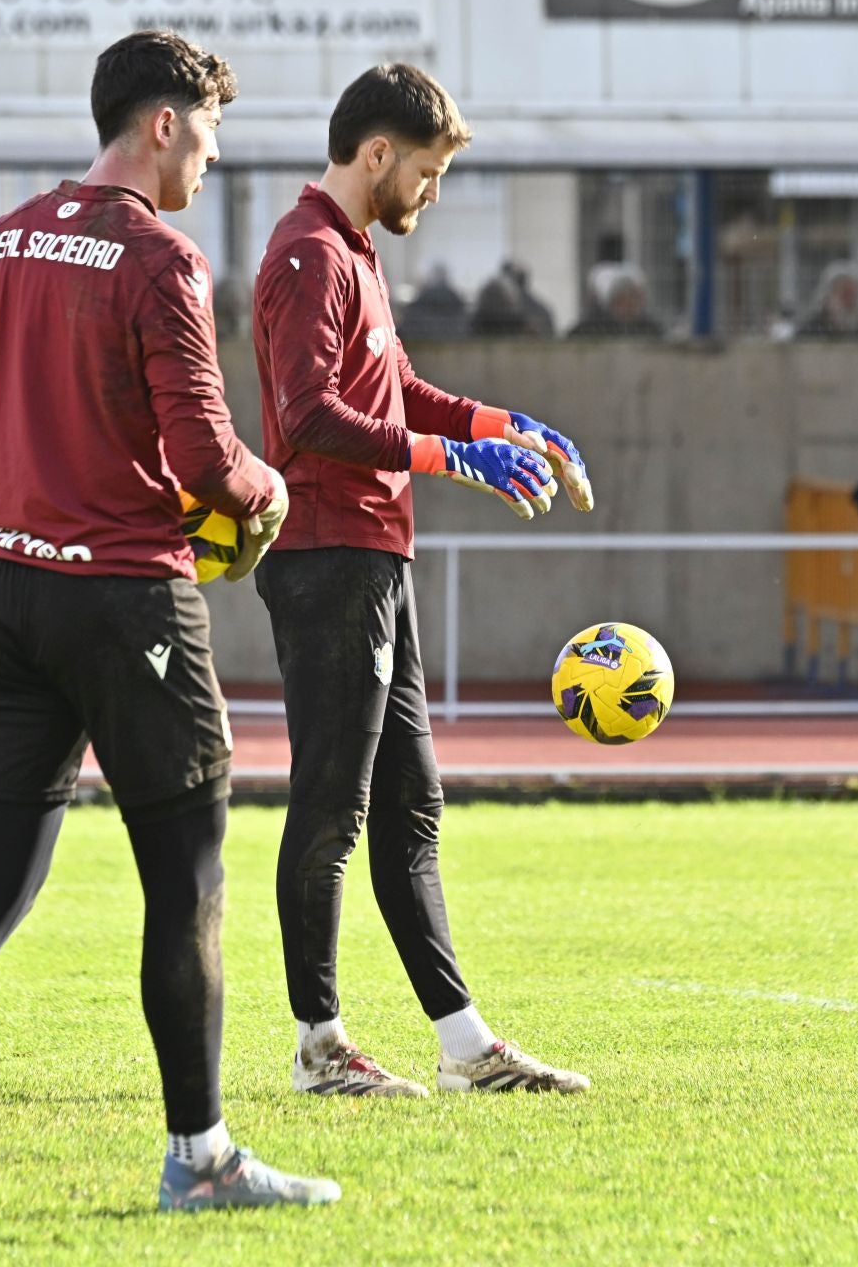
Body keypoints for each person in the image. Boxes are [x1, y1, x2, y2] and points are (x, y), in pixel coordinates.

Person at [0, 30, 338, 1222]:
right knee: (187, 882)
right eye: (210, 134)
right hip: (129, 603)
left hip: (1, 591)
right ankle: (204, 1155)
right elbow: (203, 457)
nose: (212, 160)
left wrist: (38, 517)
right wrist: (265, 492)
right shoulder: (159, 258)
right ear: (162, 122)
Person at [251, 62, 593, 1100]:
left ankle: (464, 1047)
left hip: (372, 557)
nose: (431, 196)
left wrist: (499, 424)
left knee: (412, 810)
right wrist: (451, 460)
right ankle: (320, 1043)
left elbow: (392, 388)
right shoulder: (309, 252)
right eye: (430, 175)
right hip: (326, 560)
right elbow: (307, 415)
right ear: (377, 155)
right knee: (332, 808)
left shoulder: (351, 250)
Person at [802, 261, 858, 336]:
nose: (850, 302)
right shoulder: (811, 331)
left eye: (854, 295)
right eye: (845, 295)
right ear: (827, 298)